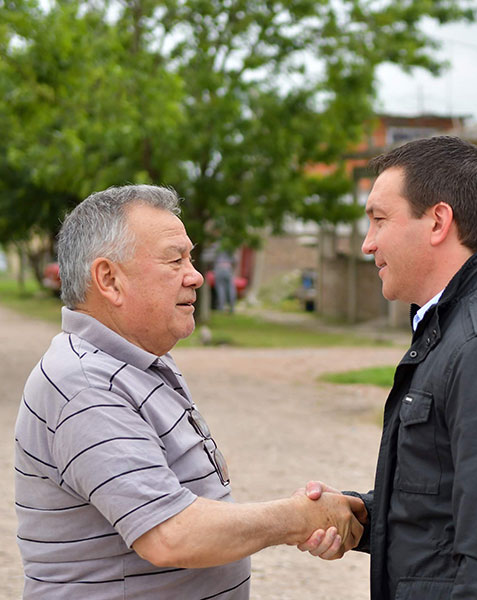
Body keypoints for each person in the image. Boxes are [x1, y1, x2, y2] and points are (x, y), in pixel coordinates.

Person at [14, 185, 363, 598]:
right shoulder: (86, 383)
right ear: (109, 279)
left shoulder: (137, 361)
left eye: (191, 258)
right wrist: (298, 518)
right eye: (174, 259)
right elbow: (169, 534)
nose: (195, 275)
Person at [299, 136, 477, 599]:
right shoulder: (453, 329)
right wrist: (364, 516)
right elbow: (451, 504)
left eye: (379, 220)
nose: (368, 244)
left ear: (437, 222)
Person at [213, 246, 238, 313]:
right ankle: (232, 307)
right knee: (231, 288)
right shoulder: (229, 245)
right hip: (228, 269)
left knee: (220, 289)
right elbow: (235, 260)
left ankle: (221, 307)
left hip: (218, 269)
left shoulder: (216, 246)